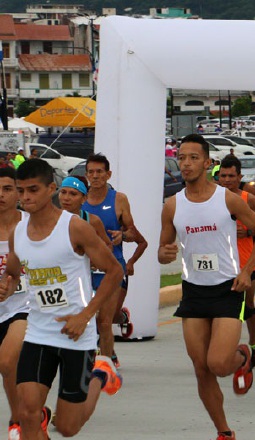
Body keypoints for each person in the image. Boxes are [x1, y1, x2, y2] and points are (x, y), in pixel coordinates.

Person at [158, 134, 255, 439]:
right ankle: (224, 431)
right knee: (201, 368)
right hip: (194, 291)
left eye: (193, 157)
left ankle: (242, 357)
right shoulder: (172, 205)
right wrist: (164, 252)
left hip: (227, 289)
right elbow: (163, 248)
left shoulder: (227, 199)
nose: (186, 163)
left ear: (207, 163)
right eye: (182, 157)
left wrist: (248, 270)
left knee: (219, 363)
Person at [0, 159, 124, 438]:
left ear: (51, 189)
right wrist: (6, 285)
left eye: (32, 190)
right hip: (38, 332)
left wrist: (85, 315)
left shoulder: (73, 228)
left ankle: (102, 374)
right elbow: (13, 270)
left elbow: (115, 271)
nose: (25, 198)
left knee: (67, 428)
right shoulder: (18, 233)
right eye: (21, 191)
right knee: (28, 413)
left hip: (75, 334)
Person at [82, 154, 148, 368]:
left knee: (104, 320)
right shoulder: (79, 199)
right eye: (91, 172)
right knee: (95, 319)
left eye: (99, 171)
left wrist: (122, 236)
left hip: (113, 267)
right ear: (86, 175)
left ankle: (105, 364)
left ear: (108, 174)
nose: (95, 176)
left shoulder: (119, 199)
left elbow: (133, 233)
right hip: (85, 269)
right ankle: (116, 331)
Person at [217, 155, 255, 368]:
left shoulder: (250, 199)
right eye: (223, 176)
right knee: (225, 309)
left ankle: (253, 344)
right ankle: (229, 348)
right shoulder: (213, 198)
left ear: (240, 177)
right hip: (221, 263)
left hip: (246, 262)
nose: (227, 180)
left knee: (246, 306)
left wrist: (247, 230)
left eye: (231, 176)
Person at [0, 168, 30, 440]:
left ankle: (17, 418)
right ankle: (26, 411)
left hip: (25, 307)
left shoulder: (30, 226)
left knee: (7, 362)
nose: (1, 195)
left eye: (7, 189)